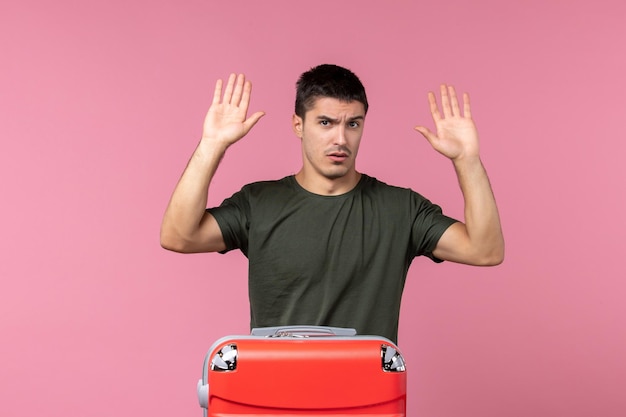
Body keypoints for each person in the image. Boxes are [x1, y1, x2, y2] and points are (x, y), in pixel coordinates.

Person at [160, 64, 504, 343]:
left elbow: (484, 250)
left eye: (352, 124)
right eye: (325, 123)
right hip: (275, 396)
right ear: (299, 125)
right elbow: (179, 236)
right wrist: (211, 146)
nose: (341, 139)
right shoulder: (259, 203)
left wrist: (467, 160)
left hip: (366, 400)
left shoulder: (401, 209)